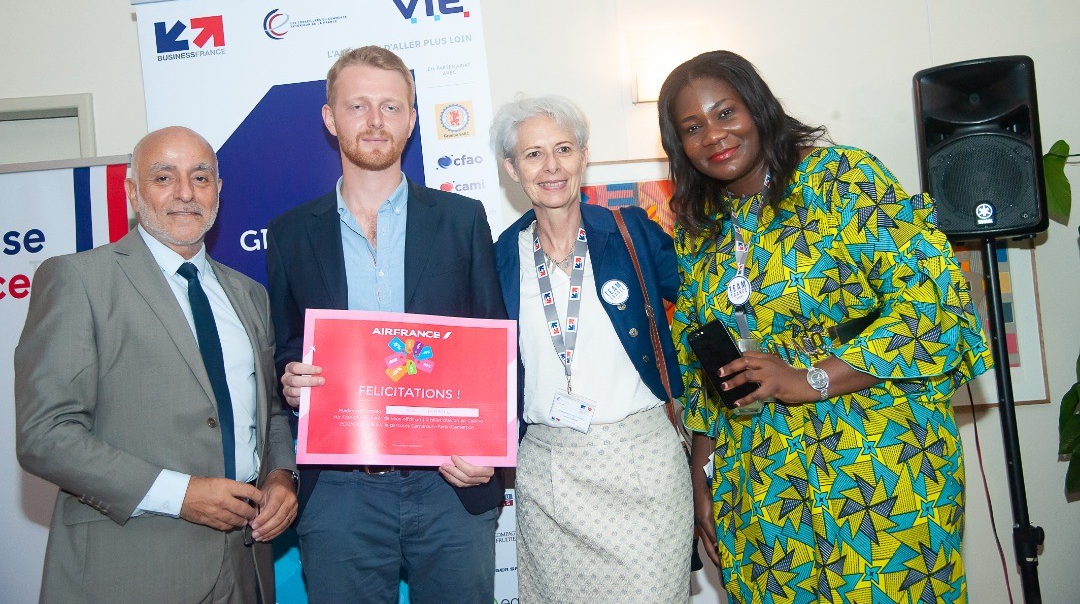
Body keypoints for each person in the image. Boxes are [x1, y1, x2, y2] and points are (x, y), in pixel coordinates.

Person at [657, 50, 992, 604]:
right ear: (679, 146)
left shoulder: (840, 178)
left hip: (877, 461)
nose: (713, 135)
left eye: (725, 113)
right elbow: (703, 371)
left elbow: (934, 305)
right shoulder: (699, 229)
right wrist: (700, 476)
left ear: (757, 108)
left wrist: (807, 378)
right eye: (692, 128)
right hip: (761, 482)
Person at [14, 126, 298, 604]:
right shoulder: (78, 280)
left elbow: (267, 412)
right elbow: (46, 435)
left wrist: (282, 477)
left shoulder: (249, 295)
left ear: (219, 190)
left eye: (201, 177)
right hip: (130, 566)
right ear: (132, 191)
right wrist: (180, 494)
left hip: (246, 564)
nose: (186, 193)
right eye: (163, 177)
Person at [268, 45, 506, 604]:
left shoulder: (462, 221)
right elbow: (283, 349)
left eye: (391, 107)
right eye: (357, 107)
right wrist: (291, 379)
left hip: (450, 483)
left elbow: (496, 348)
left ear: (412, 120)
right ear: (330, 119)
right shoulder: (290, 233)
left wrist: (490, 449)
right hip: (340, 494)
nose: (375, 122)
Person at [491, 94, 694, 603]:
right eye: (533, 154)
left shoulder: (632, 234)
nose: (551, 166)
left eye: (563, 149)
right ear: (513, 169)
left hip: (643, 466)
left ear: (584, 157)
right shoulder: (499, 257)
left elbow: (701, 300)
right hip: (549, 474)